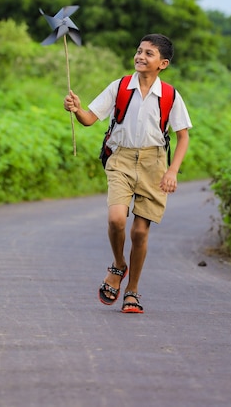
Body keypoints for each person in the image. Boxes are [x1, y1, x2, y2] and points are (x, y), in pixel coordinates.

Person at [63, 33, 192, 314]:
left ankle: (132, 290)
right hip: (120, 157)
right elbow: (89, 120)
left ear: (163, 63)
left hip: (154, 163)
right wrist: (77, 109)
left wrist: (173, 171)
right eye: (139, 51)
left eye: (149, 53)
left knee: (140, 231)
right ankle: (119, 264)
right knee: (116, 218)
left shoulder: (169, 95)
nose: (140, 56)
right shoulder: (120, 86)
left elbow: (183, 137)